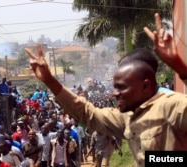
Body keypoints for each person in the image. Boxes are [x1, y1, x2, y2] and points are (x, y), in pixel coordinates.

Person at [25, 13, 187, 167]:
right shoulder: (127, 117)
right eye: (115, 87)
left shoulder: (171, 106)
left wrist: (179, 66)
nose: (115, 93)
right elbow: (87, 114)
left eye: (122, 87)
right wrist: (49, 80)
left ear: (145, 86)